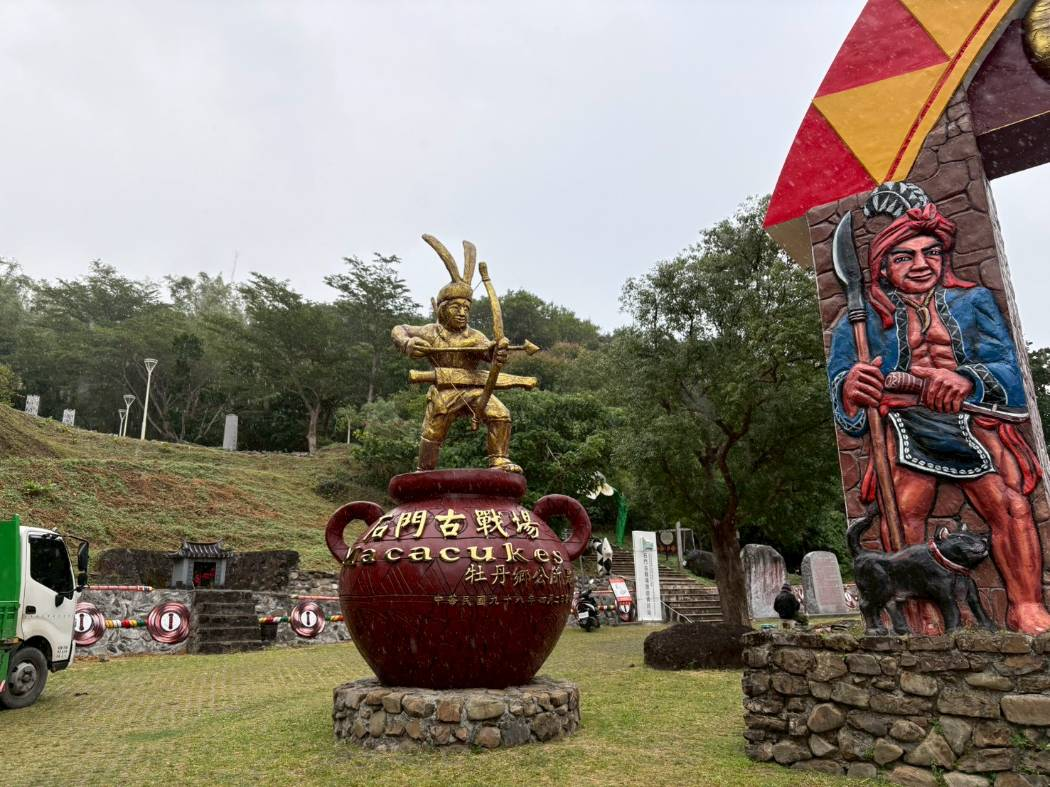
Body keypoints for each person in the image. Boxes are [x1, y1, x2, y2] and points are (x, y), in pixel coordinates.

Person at [828, 187, 1050, 634]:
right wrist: (851, 386)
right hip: (904, 421)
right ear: (884, 267)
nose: (921, 264)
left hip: (971, 418)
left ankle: (1025, 606)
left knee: (1011, 505)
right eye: (904, 256)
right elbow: (841, 379)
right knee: (903, 510)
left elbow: (1009, 369)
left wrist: (968, 378)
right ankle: (920, 614)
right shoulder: (860, 319)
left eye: (930, 253)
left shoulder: (974, 302)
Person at [391, 235, 520, 473]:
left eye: (466, 308)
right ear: (442, 310)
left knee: (500, 414)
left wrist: (497, 352)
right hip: (444, 390)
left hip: (474, 389)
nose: (462, 313)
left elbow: (489, 352)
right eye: (455, 307)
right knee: (433, 431)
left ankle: (499, 460)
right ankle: (425, 471)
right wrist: (407, 343)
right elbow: (399, 329)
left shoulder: (475, 336)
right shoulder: (430, 332)